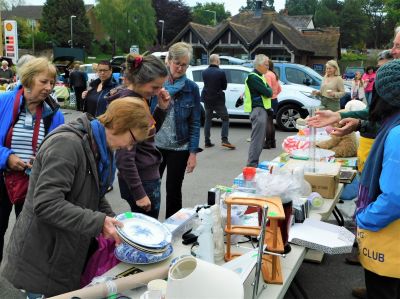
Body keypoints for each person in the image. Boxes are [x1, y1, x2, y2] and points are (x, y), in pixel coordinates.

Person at [2, 97, 152, 297]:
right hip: (41, 259)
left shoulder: (98, 144)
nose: (129, 147)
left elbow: (94, 194)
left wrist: (114, 221)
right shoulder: (67, 145)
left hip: (63, 252)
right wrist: (99, 222)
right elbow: (46, 204)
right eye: (132, 140)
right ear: (118, 124)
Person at [0, 57, 65, 264]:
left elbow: (58, 150)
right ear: (28, 80)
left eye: (52, 83)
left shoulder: (55, 114)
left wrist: (43, 160)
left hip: (33, 182)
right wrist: (7, 157)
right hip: (2, 178)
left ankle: (25, 279)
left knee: (30, 234)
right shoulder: (4, 101)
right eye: (43, 82)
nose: (49, 87)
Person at [354, 59, 400, 299]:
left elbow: (395, 197)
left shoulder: (396, 133)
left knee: (383, 290)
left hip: (390, 238)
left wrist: (364, 217)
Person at [108, 54, 170, 219]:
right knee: (145, 233)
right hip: (142, 180)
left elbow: (145, 134)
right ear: (140, 80)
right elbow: (124, 156)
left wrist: (161, 109)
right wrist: (139, 193)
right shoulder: (130, 104)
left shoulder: (140, 98)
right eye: (155, 87)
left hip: (144, 177)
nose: (159, 91)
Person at [153, 42, 201, 218]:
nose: (180, 68)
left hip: (179, 148)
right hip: (155, 146)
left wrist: (193, 153)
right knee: (151, 190)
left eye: (184, 65)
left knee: (173, 192)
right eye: (177, 63)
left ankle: (172, 230)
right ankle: (152, 229)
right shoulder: (156, 85)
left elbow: (195, 122)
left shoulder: (191, 88)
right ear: (169, 61)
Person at [244, 54, 272, 167]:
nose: (268, 67)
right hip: (258, 110)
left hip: (260, 110)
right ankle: (252, 165)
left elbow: (268, 90)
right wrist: (268, 89)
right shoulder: (253, 77)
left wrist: (268, 89)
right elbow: (269, 92)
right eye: (266, 65)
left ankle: (252, 164)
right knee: (257, 140)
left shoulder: (259, 76)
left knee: (259, 140)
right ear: (259, 65)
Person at [202, 54, 235, 149]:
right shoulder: (221, 72)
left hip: (207, 98)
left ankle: (207, 141)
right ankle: (224, 139)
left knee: (208, 119)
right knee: (225, 118)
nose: (219, 61)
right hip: (217, 99)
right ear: (216, 61)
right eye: (219, 60)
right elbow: (224, 87)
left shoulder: (204, 72)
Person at [263, 59, 281, 149]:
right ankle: (273, 142)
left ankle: (267, 143)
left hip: (268, 101)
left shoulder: (266, 74)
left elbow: (268, 89)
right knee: (271, 122)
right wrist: (274, 95)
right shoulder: (274, 74)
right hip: (275, 100)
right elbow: (279, 89)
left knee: (267, 122)